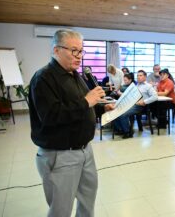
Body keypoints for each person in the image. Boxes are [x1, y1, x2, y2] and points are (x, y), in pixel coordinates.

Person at [28, 29, 106, 217]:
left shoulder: (75, 75)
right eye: (74, 51)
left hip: (84, 150)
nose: (79, 57)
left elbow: (83, 105)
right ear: (56, 50)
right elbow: (51, 116)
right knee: (61, 209)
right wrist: (87, 101)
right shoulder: (44, 78)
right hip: (61, 154)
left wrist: (102, 108)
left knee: (88, 199)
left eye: (81, 51)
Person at [114, 70, 158, 137]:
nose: (138, 77)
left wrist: (144, 102)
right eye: (137, 76)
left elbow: (155, 97)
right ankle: (121, 130)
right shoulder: (137, 85)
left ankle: (128, 132)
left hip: (140, 106)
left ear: (145, 77)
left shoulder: (148, 86)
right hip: (132, 103)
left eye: (140, 75)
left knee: (123, 114)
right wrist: (121, 94)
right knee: (115, 111)